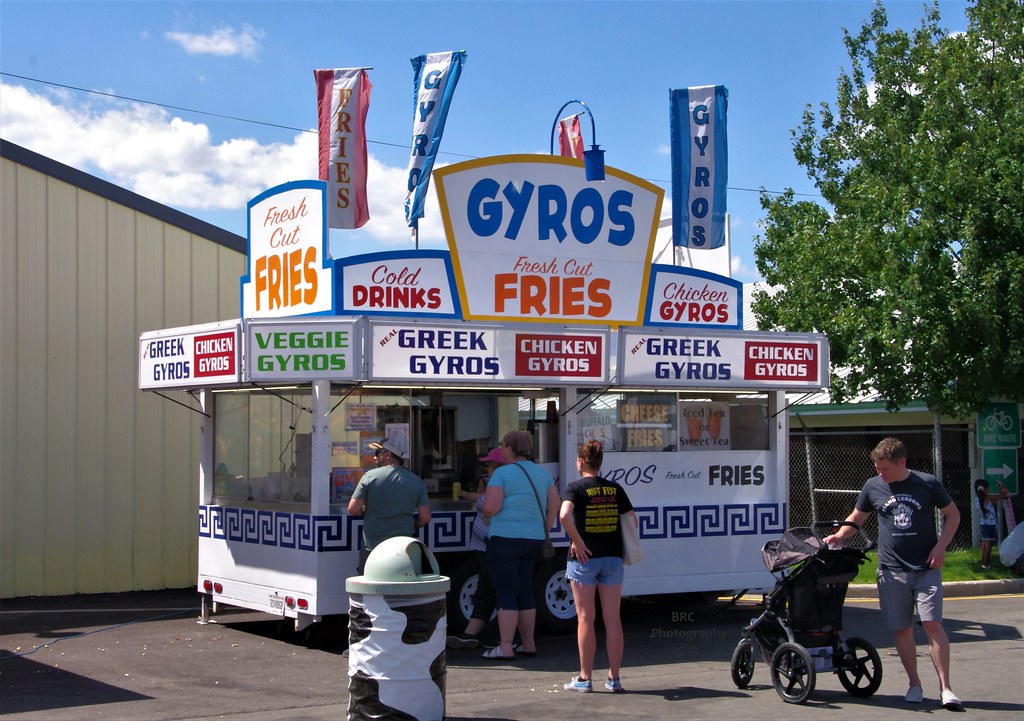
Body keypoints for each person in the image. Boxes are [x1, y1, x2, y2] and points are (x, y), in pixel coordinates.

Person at [823, 437, 962, 710]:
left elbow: (953, 515)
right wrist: (839, 535)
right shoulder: (873, 486)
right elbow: (857, 518)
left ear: (902, 462)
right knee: (902, 629)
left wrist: (941, 547)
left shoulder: (927, 483)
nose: (880, 473)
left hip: (926, 568)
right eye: (877, 467)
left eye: (885, 468)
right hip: (891, 570)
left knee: (932, 623)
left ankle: (946, 688)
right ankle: (914, 684)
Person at [559, 439, 636, 693]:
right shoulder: (615, 489)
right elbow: (632, 521)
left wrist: (577, 541)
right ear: (600, 463)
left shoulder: (575, 488)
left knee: (585, 618)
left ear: (581, 462)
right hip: (612, 558)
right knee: (613, 619)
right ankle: (614, 679)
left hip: (584, 559)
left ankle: (585, 678)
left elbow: (563, 515)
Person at [479, 430, 559, 660]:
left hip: (504, 538)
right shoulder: (541, 474)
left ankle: (505, 646)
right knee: (525, 591)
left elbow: (491, 506)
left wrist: (485, 515)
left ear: (511, 449)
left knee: (506, 592)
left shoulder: (502, 473)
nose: (501, 448)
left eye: (503, 444)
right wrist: (545, 527)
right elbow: (554, 503)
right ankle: (528, 643)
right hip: (533, 539)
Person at [447, 446, 505, 649]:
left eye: (489, 465)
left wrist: (471, 495)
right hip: (484, 545)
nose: (486, 468)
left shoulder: (501, 485)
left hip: (492, 545)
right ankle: (473, 633)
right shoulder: (496, 483)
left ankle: (501, 639)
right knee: (486, 587)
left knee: (490, 587)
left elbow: (488, 506)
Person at [347, 436, 431, 572]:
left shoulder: (369, 476)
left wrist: (365, 511)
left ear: (387, 455)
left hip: (372, 547)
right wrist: (413, 525)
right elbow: (426, 517)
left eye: (377, 453)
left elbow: (353, 509)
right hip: (403, 547)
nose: (374, 458)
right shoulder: (416, 481)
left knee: (369, 588)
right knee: (399, 588)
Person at [974, 479, 1008, 570]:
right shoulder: (987, 498)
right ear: (985, 489)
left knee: (984, 543)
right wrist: (1000, 485)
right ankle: (986, 564)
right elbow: (1002, 495)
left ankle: (983, 563)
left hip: (983, 524)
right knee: (989, 544)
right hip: (990, 525)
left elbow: (991, 503)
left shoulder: (978, 499)